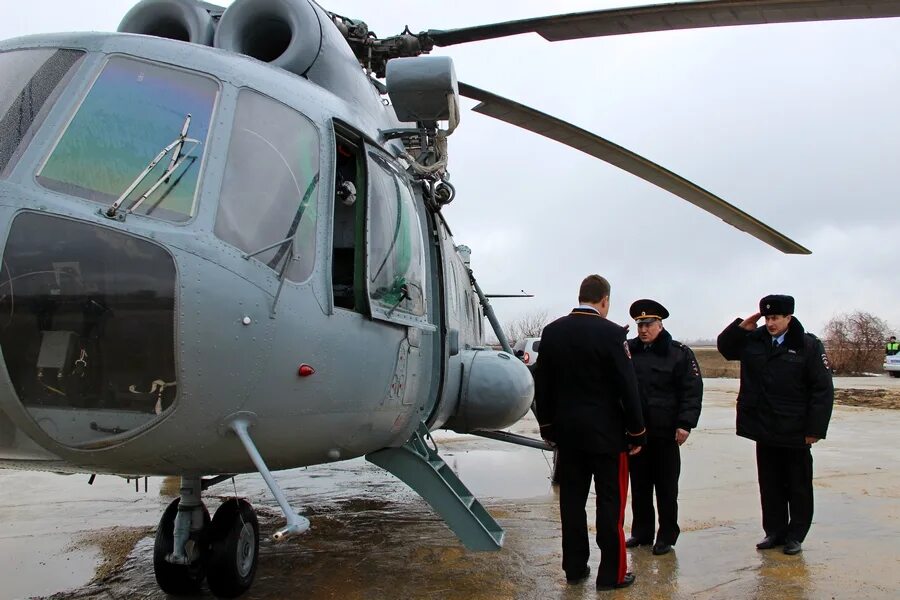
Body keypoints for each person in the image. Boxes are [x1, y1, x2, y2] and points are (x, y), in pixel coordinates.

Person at [533, 274, 646, 591]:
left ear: (581, 296)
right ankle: (610, 576)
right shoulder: (612, 334)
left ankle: (574, 567)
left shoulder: (553, 332)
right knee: (610, 507)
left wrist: (548, 427)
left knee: (571, 504)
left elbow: (544, 385)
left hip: (568, 436)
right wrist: (637, 432)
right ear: (605, 300)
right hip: (607, 437)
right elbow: (628, 387)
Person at [717, 294, 834, 556]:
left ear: (789, 318)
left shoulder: (808, 345)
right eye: (767, 318)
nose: (770, 323)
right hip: (764, 426)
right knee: (769, 484)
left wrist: (814, 430)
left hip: (795, 430)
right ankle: (774, 531)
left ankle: (796, 535)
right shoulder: (754, 341)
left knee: (798, 485)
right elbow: (725, 349)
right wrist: (739, 328)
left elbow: (822, 390)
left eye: (775, 318)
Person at [625, 299, 703, 556]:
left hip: (666, 433)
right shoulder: (629, 352)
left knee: (667, 489)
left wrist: (685, 424)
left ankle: (667, 535)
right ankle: (642, 532)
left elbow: (691, 391)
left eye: (648, 324)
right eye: (640, 325)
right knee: (640, 487)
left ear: (660, 324)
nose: (643, 330)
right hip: (638, 433)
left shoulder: (678, 353)